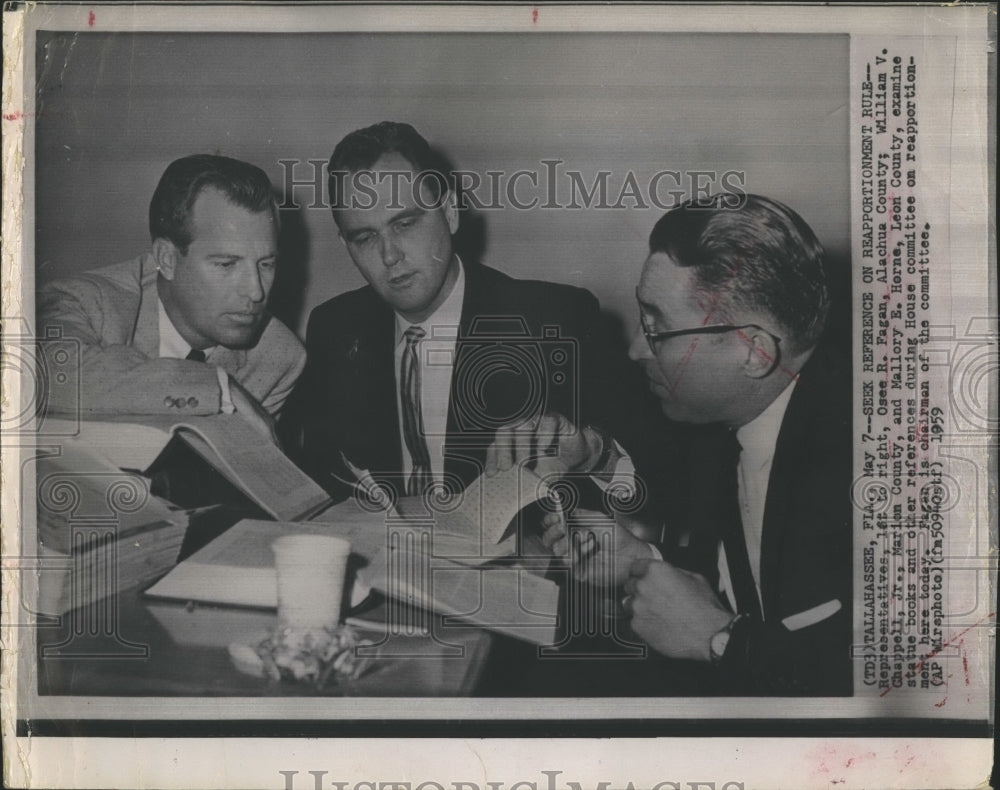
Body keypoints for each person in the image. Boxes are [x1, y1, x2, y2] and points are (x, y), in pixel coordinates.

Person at [490, 193, 851, 695]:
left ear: (753, 352)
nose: (638, 348)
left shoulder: (862, 469)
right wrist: (644, 562)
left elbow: (873, 689)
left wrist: (719, 639)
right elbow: (756, 584)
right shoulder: (732, 420)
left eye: (658, 328)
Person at [287, 121, 669, 503]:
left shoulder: (556, 319)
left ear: (450, 212)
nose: (389, 256)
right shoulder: (334, 329)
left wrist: (593, 453)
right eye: (365, 237)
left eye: (405, 223)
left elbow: (657, 475)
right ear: (346, 244)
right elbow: (326, 487)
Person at [37, 154, 306, 437]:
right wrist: (215, 387)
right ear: (167, 259)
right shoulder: (86, 302)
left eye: (266, 264)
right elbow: (38, 375)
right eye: (226, 264)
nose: (255, 291)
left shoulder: (279, 356)